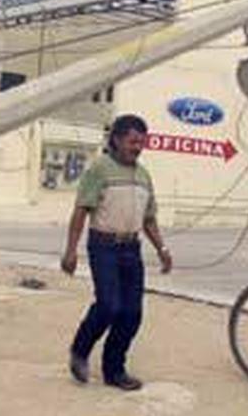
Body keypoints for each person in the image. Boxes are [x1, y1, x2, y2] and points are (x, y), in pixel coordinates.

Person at [61, 114, 172, 391]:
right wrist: (70, 251)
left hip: (131, 248)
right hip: (104, 247)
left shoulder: (143, 175)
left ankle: (114, 370)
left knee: (132, 313)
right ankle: (80, 351)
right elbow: (81, 210)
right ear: (117, 140)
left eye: (142, 142)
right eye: (133, 142)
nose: (138, 148)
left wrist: (162, 248)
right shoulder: (100, 169)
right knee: (109, 305)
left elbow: (149, 219)